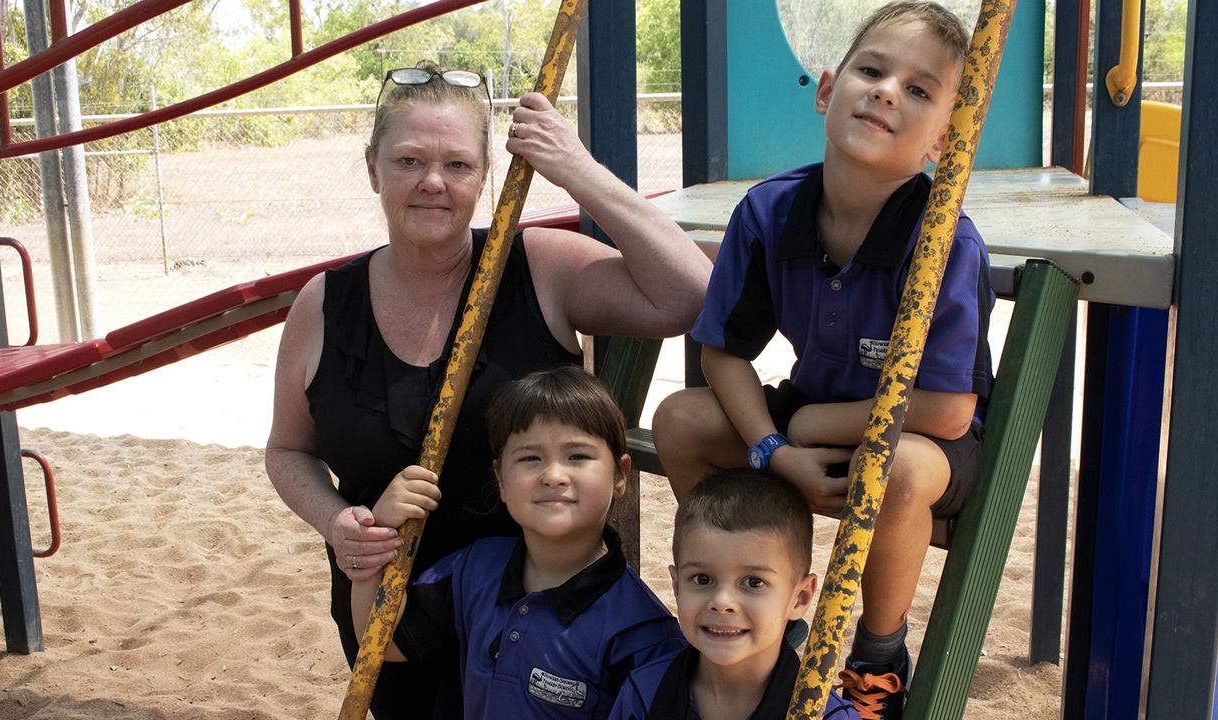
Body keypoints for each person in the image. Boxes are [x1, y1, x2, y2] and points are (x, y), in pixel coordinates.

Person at [265, 61, 710, 718]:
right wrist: (338, 525)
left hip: (537, 614)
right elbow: (286, 451)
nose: (433, 183)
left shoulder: (536, 268)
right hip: (391, 608)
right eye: (410, 160)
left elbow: (689, 294)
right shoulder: (325, 305)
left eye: (459, 165)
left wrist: (576, 170)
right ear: (372, 168)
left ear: (486, 174)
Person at [651, 4, 991, 718]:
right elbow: (723, 352)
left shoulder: (942, 242)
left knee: (894, 471)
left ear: (943, 143)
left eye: (921, 90)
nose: (889, 90)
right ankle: (756, 588)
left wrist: (814, 422)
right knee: (680, 420)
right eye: (872, 70)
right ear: (826, 90)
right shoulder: (771, 210)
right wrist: (774, 447)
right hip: (806, 431)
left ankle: (877, 656)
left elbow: (951, 409)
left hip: (923, 443)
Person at [350, 365, 687, 718]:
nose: (554, 475)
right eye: (530, 458)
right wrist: (381, 529)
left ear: (620, 474)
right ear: (500, 479)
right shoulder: (474, 570)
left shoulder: (641, 631)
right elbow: (383, 642)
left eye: (577, 456)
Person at [608, 470, 859, 719]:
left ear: (800, 598)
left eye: (753, 582)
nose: (722, 602)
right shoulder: (644, 692)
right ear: (676, 587)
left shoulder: (826, 716)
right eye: (702, 579)